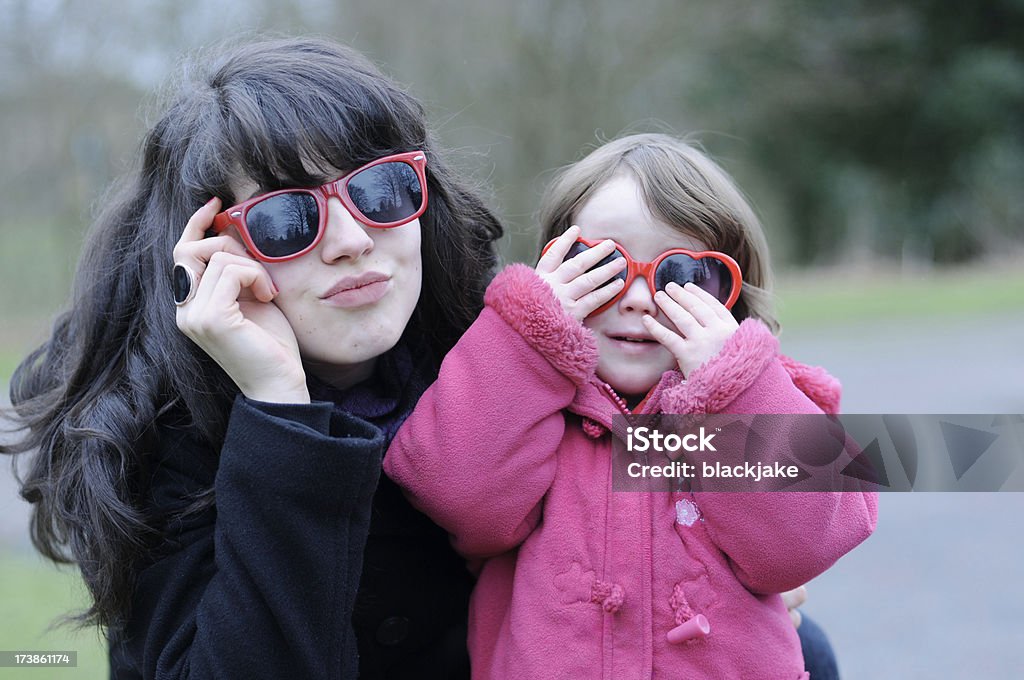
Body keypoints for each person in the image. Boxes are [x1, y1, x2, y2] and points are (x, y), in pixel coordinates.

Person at [1, 37, 502, 679]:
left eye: (379, 189)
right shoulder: (145, 440)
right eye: (289, 218)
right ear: (211, 253)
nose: (352, 241)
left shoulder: (508, 364)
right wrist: (279, 410)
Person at [384, 133, 878, 678]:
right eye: (604, 268)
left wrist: (732, 387)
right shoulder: (525, 409)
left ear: (732, 298)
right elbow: (453, 494)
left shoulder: (762, 399)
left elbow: (804, 544)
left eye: (682, 276)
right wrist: (526, 338)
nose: (639, 298)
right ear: (553, 278)